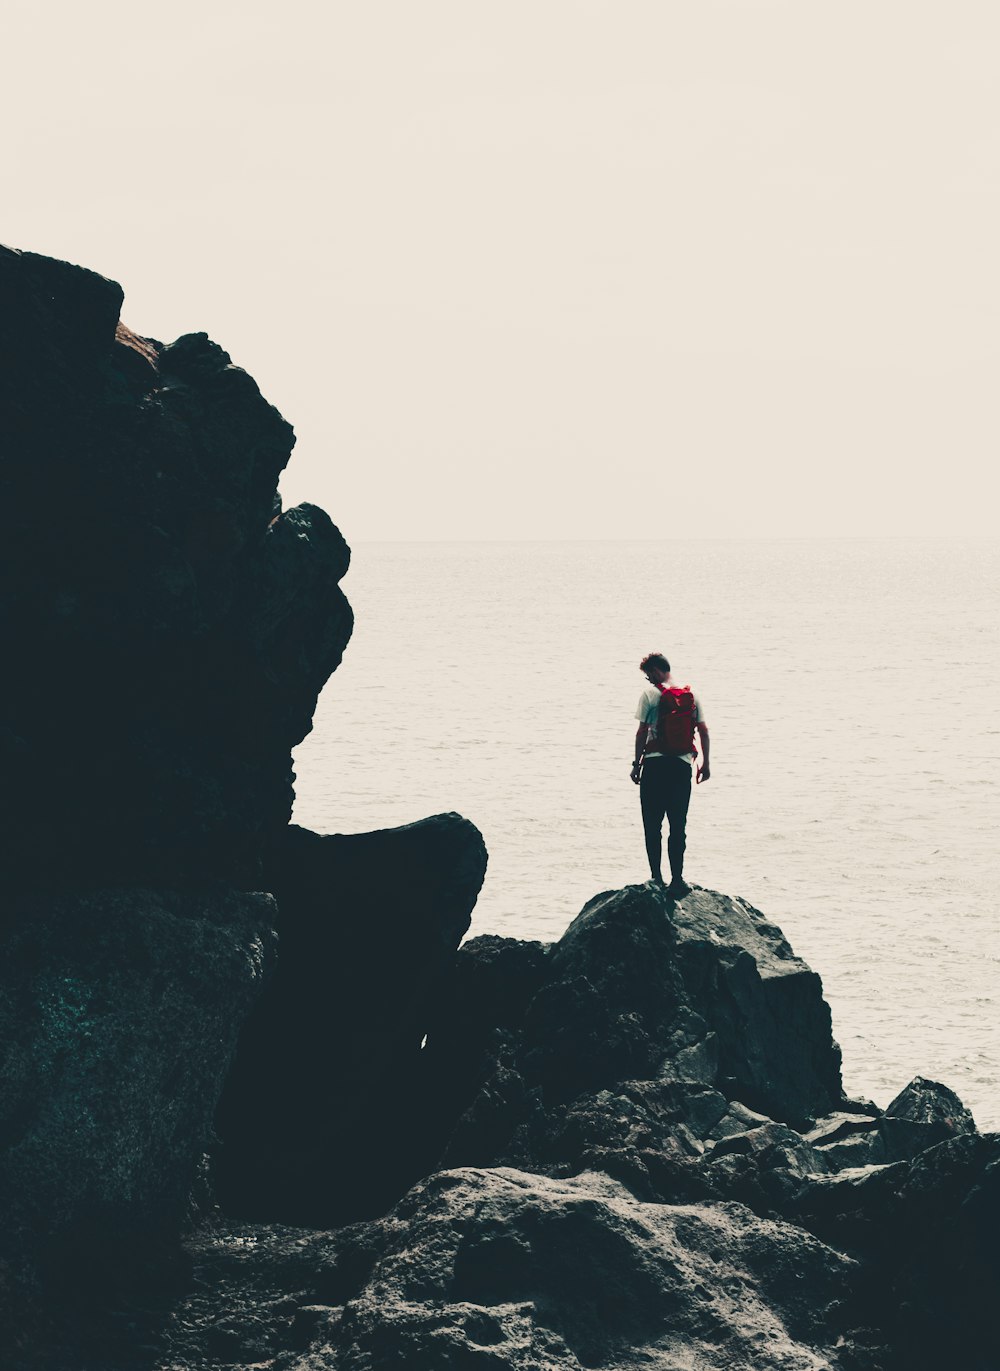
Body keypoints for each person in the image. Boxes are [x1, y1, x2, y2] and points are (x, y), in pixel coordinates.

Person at [630, 652, 710, 896]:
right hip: (681, 767)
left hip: (655, 767)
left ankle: (656, 878)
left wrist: (636, 764)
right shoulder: (691, 695)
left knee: (652, 824)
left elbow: (642, 732)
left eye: (648, 675)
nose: (649, 680)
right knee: (678, 824)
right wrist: (706, 764)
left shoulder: (650, 695)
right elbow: (704, 731)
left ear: (655, 670)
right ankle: (677, 879)